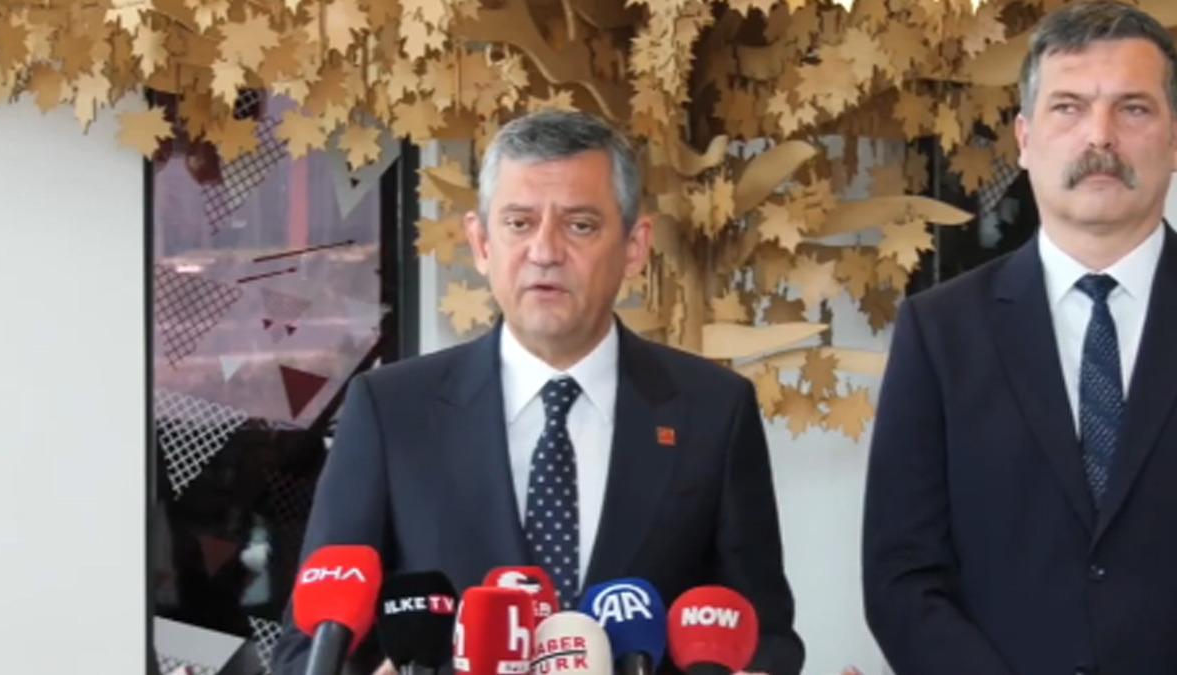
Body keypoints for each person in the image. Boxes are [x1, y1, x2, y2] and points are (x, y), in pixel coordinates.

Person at [272, 110, 804, 674]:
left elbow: (765, 635)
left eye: (580, 225)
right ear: (481, 243)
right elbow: (307, 645)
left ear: (634, 246)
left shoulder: (713, 410)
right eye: (519, 223)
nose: (545, 251)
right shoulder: (390, 411)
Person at [862, 2, 1177, 673]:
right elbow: (902, 576)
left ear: (1174, 137)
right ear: (1025, 139)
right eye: (1068, 107)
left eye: (1133, 108)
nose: (1100, 135)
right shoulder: (938, 332)